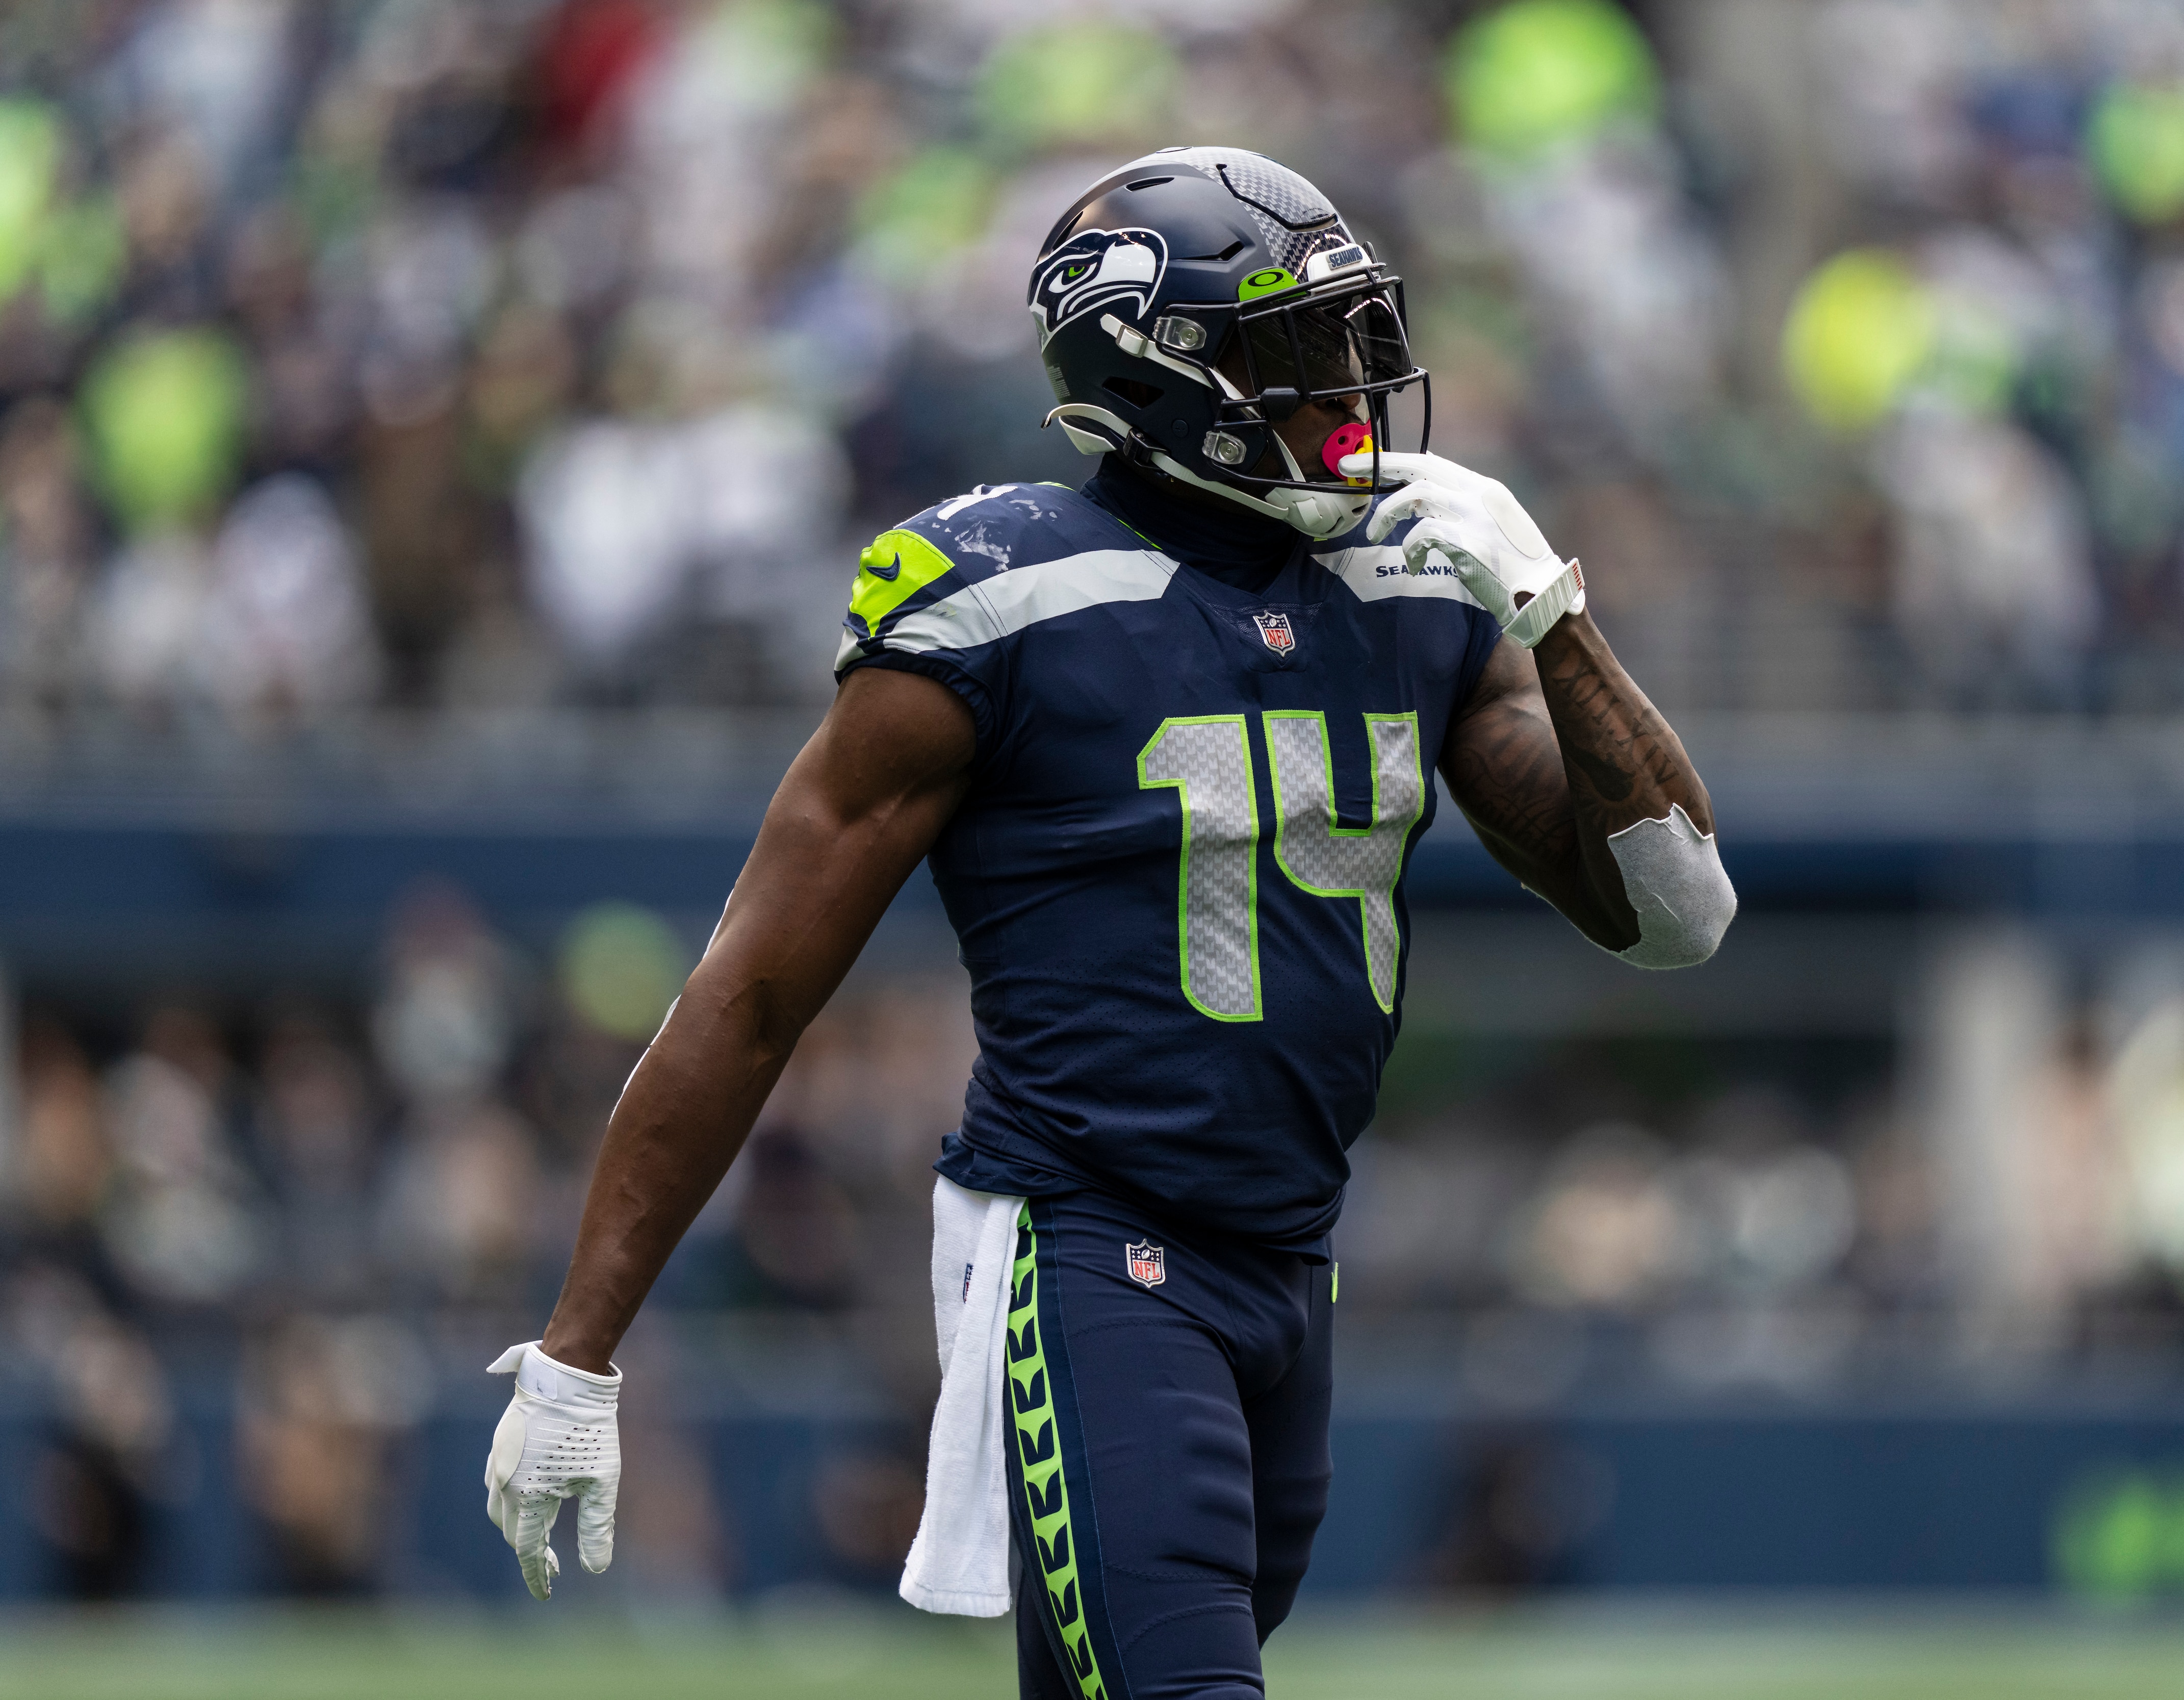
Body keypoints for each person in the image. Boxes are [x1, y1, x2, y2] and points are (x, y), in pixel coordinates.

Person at [481, 147, 1735, 1698]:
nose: (1353, 386)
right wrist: (579, 1347)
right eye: (1298, 349)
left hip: (1291, 1267)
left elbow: (1678, 913)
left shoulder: (1415, 584)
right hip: (1091, 1249)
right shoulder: (1000, 597)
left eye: (1356, 335)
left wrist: (1553, 611)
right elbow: (749, 993)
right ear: (1161, 376)